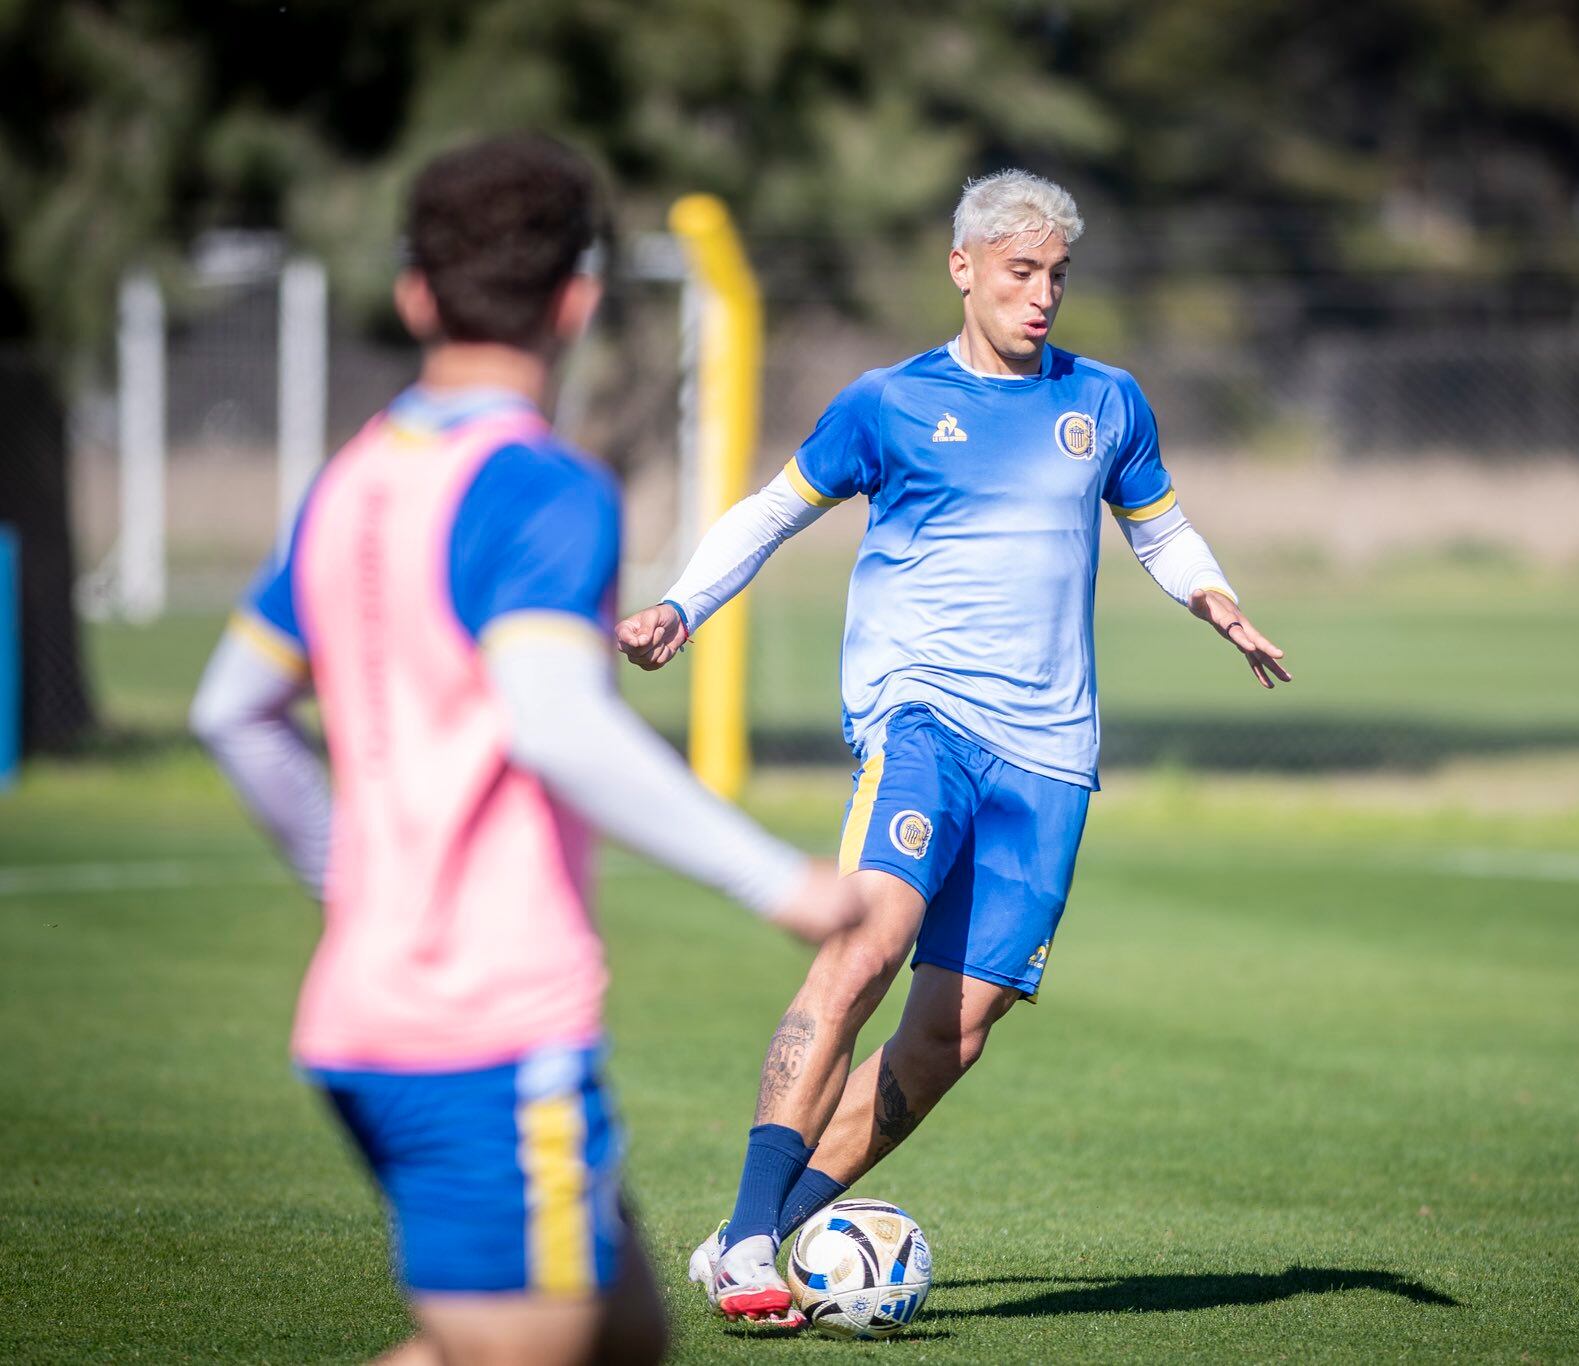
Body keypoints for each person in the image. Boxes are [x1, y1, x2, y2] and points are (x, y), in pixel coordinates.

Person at [189, 135, 862, 1366]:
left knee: (619, 1336)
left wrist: (355, 883)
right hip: (486, 1031)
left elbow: (231, 707)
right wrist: (779, 878)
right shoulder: (543, 487)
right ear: (580, 299)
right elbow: (555, 720)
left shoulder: (348, 484)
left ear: (411, 293)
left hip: (362, 1011)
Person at [614, 168, 1293, 1327]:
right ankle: (742, 1239)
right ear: (963, 268)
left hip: (1051, 757)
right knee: (867, 940)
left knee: (952, 1030)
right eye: (1021, 273)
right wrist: (681, 604)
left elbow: (1160, 527)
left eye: (1057, 277)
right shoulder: (886, 405)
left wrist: (1214, 599)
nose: (1042, 298)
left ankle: (755, 1236)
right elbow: (771, 510)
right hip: (920, 718)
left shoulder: (1106, 402)